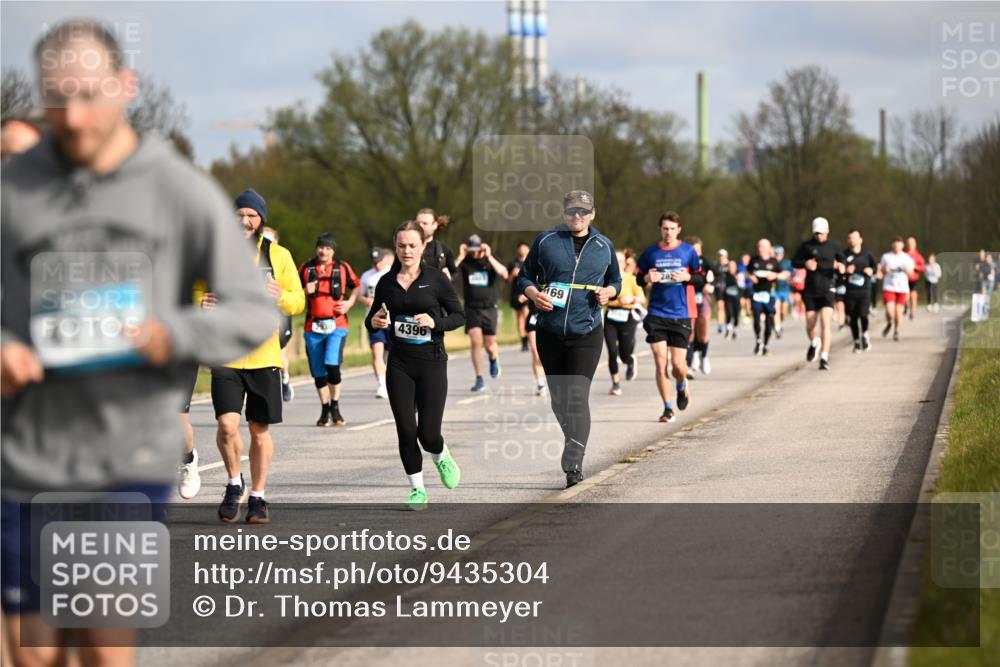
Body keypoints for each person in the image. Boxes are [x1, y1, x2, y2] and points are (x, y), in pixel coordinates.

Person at [1, 19, 275, 666]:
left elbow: (252, 308)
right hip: (26, 454)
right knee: (32, 653)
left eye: (89, 95)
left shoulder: (176, 189)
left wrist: (170, 334)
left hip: (125, 457)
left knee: (100, 644)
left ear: (125, 85)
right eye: (57, 98)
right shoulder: (14, 187)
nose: (73, 117)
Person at [206, 189, 306, 524]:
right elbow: (195, 290)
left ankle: (258, 496)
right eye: (239, 214)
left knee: (259, 430)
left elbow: (298, 300)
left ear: (261, 219)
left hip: (264, 356)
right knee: (226, 425)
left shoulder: (278, 255)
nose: (245, 221)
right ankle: (234, 482)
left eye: (252, 215)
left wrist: (281, 296)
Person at [517, 190, 621, 487]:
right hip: (549, 330)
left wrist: (609, 292)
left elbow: (615, 280)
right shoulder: (546, 240)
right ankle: (573, 437)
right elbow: (524, 277)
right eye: (573, 211)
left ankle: (574, 460)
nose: (578, 216)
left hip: (587, 330)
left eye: (584, 211)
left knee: (577, 395)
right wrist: (533, 294)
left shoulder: (603, 245)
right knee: (559, 401)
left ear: (593, 214)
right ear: (563, 213)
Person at [365, 221, 465, 510]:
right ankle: (417, 490)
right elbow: (372, 318)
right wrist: (375, 321)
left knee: (428, 435)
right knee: (407, 430)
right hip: (399, 363)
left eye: (412, 245)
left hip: (432, 361)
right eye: (401, 246)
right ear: (395, 247)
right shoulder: (387, 282)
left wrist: (435, 322)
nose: (406, 251)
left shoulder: (436, 279)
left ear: (423, 247)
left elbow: (459, 316)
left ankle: (440, 454)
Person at [635, 211, 702, 423]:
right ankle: (667, 408)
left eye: (672, 229)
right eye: (665, 228)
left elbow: (701, 279)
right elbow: (638, 278)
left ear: (679, 230)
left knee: (678, 366)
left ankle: (682, 385)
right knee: (660, 362)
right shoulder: (651, 252)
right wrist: (647, 277)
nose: (668, 233)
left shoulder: (688, 251)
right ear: (660, 229)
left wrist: (687, 277)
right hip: (656, 314)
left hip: (680, 314)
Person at [299, 233, 359, 426]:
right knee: (318, 372)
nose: (323, 251)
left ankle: (335, 405)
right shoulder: (306, 268)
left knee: (332, 364)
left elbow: (356, 286)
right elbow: (292, 293)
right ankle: (325, 409)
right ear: (316, 248)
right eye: (321, 247)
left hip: (337, 325)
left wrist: (349, 302)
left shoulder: (342, 267)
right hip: (313, 326)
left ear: (333, 251)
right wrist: (304, 291)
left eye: (327, 248)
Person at [455, 234, 509, 391]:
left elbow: (504, 273)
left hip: (489, 308)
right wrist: (461, 256)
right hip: (472, 308)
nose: (474, 253)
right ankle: (479, 378)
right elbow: (448, 275)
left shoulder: (489, 260)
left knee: (490, 345)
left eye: (476, 250)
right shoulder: (465, 262)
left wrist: (489, 256)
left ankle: (493, 358)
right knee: (475, 341)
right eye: (471, 250)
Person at [791, 216, 845, 370]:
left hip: (828, 289)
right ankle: (815, 341)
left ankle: (824, 357)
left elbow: (843, 262)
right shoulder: (806, 246)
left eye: (821, 233)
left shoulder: (834, 246)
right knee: (810, 323)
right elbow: (794, 261)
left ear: (827, 231)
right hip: (810, 289)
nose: (818, 236)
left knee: (825, 321)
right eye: (816, 233)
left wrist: (841, 267)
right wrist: (805, 264)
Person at [604, 250, 644, 395]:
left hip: (627, 316)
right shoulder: (605, 279)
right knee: (612, 351)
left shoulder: (630, 279)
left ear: (624, 263)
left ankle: (630, 360)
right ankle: (615, 384)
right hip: (610, 316)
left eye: (619, 260)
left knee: (624, 354)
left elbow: (642, 298)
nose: (616, 263)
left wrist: (631, 299)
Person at [262, 226, 295, 402]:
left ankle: (284, 378)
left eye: (269, 240)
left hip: (280, 315)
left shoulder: (282, 259)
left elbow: (294, 293)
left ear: (276, 242)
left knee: (279, 351)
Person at [359, 247, 394, 398]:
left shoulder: (392, 273)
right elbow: (359, 295)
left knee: (391, 355)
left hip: (392, 320)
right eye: (374, 262)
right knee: (376, 352)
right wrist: (366, 300)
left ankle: (391, 381)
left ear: (385, 259)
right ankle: (382, 384)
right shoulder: (366, 276)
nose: (377, 265)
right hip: (374, 320)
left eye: (379, 261)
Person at [747, 238, 788, 356]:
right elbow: (747, 272)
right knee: (756, 316)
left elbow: (784, 274)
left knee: (770, 319)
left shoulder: (773, 262)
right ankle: (758, 340)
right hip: (756, 294)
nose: (760, 249)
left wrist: (775, 275)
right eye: (759, 246)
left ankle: (766, 344)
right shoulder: (754, 260)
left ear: (769, 248)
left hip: (769, 294)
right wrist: (750, 277)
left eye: (763, 247)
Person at [842, 229, 878, 353]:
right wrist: (846, 270)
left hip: (864, 290)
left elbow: (875, 267)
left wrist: (871, 270)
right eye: (850, 238)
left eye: (855, 237)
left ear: (860, 239)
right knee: (853, 317)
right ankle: (856, 341)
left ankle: (865, 334)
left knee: (863, 314)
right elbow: (840, 270)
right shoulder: (844, 254)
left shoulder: (867, 254)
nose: (852, 240)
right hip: (850, 291)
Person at [685, 236, 715, 375]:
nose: (698, 253)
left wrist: (711, 285)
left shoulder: (705, 261)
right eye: (695, 251)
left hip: (703, 298)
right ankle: (689, 364)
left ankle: (704, 356)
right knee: (690, 333)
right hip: (688, 298)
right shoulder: (683, 261)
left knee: (702, 334)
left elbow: (719, 274)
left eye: (699, 250)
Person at [879, 236, 916, 341]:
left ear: (902, 245)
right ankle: (889, 322)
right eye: (895, 244)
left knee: (898, 312)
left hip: (902, 288)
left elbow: (912, 272)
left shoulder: (906, 258)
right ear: (892, 245)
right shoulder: (886, 256)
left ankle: (896, 331)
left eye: (899, 244)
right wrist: (884, 269)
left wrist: (907, 269)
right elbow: (881, 270)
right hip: (889, 287)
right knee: (890, 311)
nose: (897, 246)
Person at [417, 208, 457, 278]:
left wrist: (448, 276)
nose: (420, 226)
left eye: (424, 223)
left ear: (435, 225)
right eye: (418, 223)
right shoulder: (406, 247)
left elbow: (455, 274)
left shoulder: (444, 250)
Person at [508, 241, 532, 351]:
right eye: (520, 248)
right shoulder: (513, 264)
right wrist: (512, 274)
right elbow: (507, 279)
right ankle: (524, 341)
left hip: (528, 292)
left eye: (524, 247)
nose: (522, 250)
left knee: (526, 313)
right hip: (515, 293)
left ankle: (530, 336)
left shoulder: (531, 262)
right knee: (519, 318)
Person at [773, 245, 793, 337]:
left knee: (783, 312)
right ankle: (777, 328)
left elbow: (793, 272)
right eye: (776, 254)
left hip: (785, 290)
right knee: (776, 310)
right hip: (775, 290)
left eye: (779, 254)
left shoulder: (787, 263)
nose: (778, 255)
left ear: (782, 254)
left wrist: (788, 274)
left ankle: (780, 323)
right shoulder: (772, 262)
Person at [720, 260, 742, 339]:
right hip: (728, 297)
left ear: (736, 267)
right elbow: (722, 286)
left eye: (733, 266)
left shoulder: (739, 274)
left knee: (736, 314)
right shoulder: (725, 275)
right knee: (729, 312)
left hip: (737, 297)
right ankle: (728, 328)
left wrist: (738, 280)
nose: (731, 268)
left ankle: (734, 330)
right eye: (730, 266)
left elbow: (742, 287)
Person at [904, 236, 926, 319]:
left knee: (913, 295)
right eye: (909, 243)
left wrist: (916, 267)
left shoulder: (917, 255)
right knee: (906, 295)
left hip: (914, 278)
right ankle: (906, 306)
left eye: (912, 243)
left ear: (915, 244)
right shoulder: (903, 254)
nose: (910, 245)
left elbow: (923, 268)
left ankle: (912, 311)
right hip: (903, 279)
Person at [715, 249, 730, 333]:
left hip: (728, 288)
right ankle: (720, 324)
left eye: (723, 256)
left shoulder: (729, 265)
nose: (721, 257)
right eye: (720, 256)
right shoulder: (715, 265)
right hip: (718, 287)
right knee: (720, 305)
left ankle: (728, 322)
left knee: (727, 306)